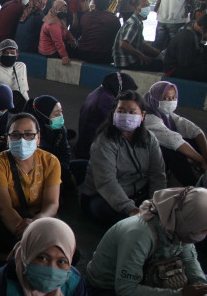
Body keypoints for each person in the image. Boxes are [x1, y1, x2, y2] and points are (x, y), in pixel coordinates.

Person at [85, 187, 207, 296]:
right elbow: (126, 290)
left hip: (153, 281)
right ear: (190, 219)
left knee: (200, 289)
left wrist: (202, 289)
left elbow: (189, 260)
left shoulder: (177, 223)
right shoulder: (139, 234)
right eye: (203, 229)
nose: (204, 234)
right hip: (108, 291)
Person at [0, 112, 61, 264]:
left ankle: (5, 257)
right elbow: (3, 208)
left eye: (29, 135)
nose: (22, 140)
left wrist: (34, 224)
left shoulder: (51, 162)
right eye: (15, 135)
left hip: (32, 218)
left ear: (38, 138)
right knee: (43, 252)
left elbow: (51, 204)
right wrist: (30, 236)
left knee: (65, 248)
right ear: (7, 139)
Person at [80, 90, 166, 226]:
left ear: (142, 115)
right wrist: (131, 209)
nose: (127, 115)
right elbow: (107, 182)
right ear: (114, 113)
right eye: (121, 111)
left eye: (132, 112)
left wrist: (155, 204)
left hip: (139, 194)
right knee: (122, 218)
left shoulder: (149, 139)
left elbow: (157, 174)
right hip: (105, 196)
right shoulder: (104, 141)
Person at [143, 81, 207, 186]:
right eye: (166, 98)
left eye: (173, 98)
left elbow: (195, 131)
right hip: (147, 158)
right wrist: (201, 160)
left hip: (164, 150)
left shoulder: (167, 115)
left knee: (193, 141)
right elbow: (174, 141)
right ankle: (193, 187)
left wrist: (205, 157)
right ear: (155, 97)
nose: (171, 101)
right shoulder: (149, 117)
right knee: (175, 153)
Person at [75, 72, 138, 160]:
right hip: (91, 150)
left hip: (84, 143)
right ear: (121, 88)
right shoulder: (106, 101)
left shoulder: (99, 91)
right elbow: (114, 128)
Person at [23, 95, 74, 191]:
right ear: (44, 115)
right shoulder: (30, 134)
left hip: (55, 166)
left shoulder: (60, 129)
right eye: (56, 113)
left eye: (61, 111)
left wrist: (66, 172)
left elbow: (65, 152)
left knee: (82, 167)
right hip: (37, 172)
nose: (60, 116)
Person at [113, 0, 163, 72]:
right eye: (143, 5)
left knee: (156, 58)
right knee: (160, 65)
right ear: (136, 8)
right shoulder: (133, 23)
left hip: (129, 59)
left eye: (148, 5)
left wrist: (155, 52)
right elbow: (124, 44)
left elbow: (141, 44)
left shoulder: (137, 21)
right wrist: (141, 55)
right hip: (126, 62)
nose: (147, 8)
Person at [72, 0, 122, 64]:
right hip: (104, 56)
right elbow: (117, 40)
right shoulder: (113, 19)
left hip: (83, 53)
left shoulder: (86, 16)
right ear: (108, 4)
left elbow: (79, 35)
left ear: (94, 3)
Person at [164, 15, 207, 80]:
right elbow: (184, 63)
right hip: (174, 69)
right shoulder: (186, 37)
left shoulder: (194, 29)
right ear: (202, 27)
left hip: (185, 61)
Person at [38, 0, 75, 65]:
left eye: (65, 10)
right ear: (55, 8)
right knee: (74, 52)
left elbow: (65, 31)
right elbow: (58, 41)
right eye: (61, 10)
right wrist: (64, 56)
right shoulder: (53, 22)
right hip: (48, 51)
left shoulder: (60, 19)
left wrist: (72, 39)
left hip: (53, 47)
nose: (63, 12)